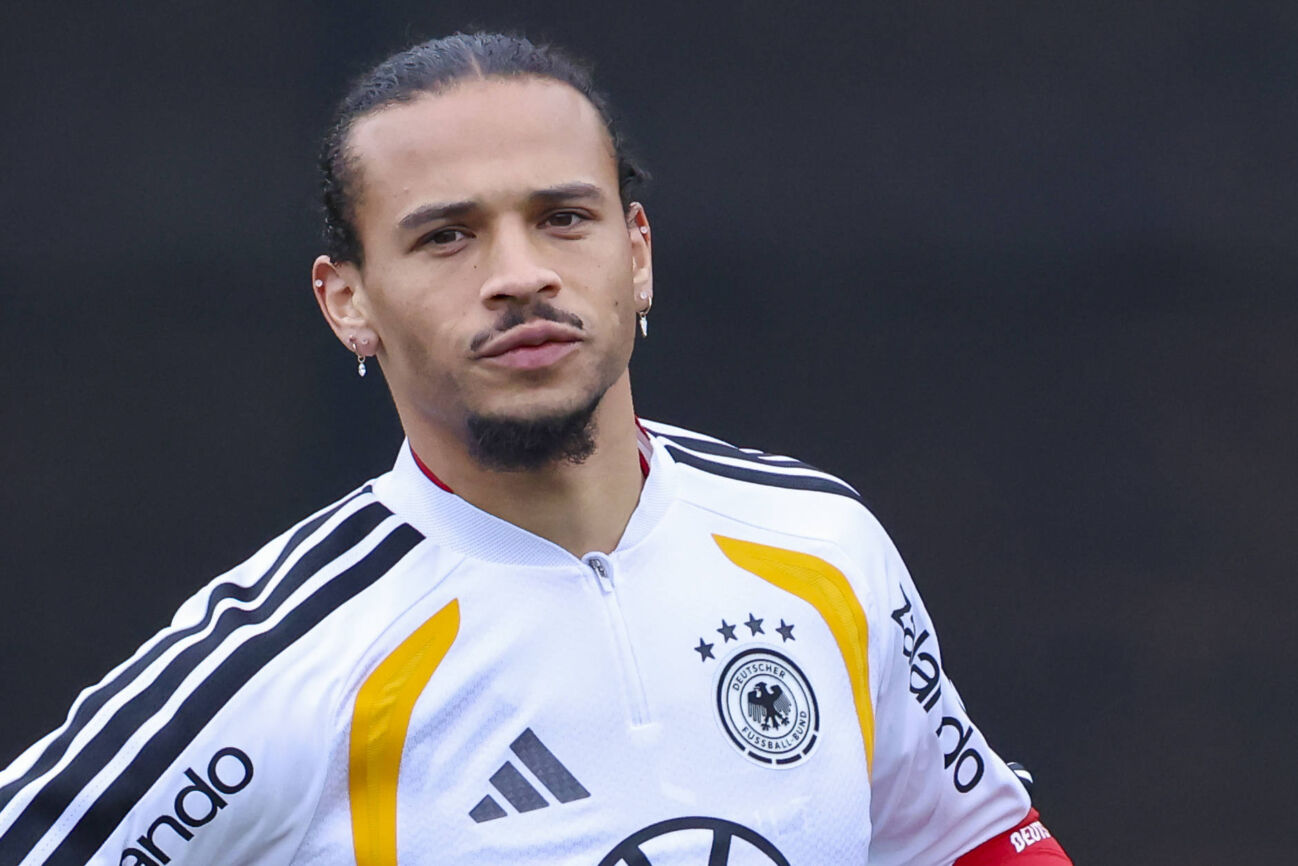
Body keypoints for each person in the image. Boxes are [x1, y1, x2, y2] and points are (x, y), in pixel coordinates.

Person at [0, 32, 1072, 866]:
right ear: (347, 302)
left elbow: (968, 836)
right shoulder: (278, 664)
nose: (519, 272)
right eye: (446, 234)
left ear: (636, 254)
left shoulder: (818, 542)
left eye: (562, 217)